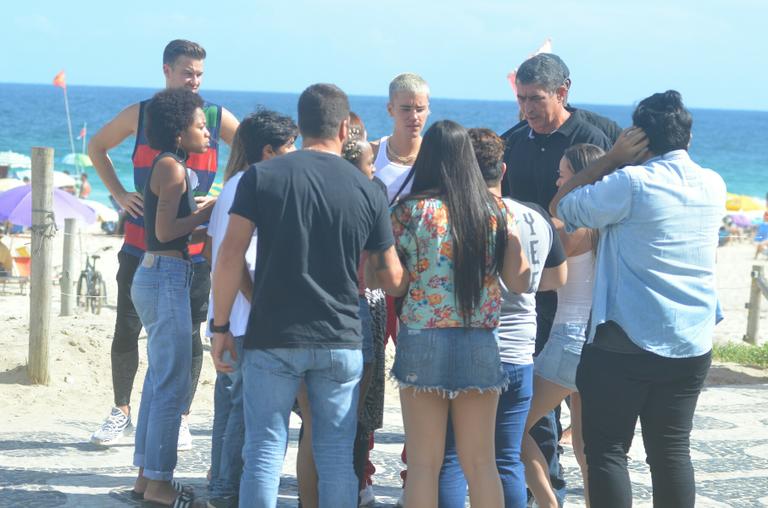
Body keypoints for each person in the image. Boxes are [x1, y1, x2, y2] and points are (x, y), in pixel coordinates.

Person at [210, 83, 404, 508]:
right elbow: (390, 276)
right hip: (340, 335)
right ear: (343, 127)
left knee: (263, 450)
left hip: (272, 332)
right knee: (335, 455)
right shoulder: (367, 190)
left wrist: (220, 326)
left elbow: (229, 258)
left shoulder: (261, 176)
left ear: (300, 125)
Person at [551, 90, 726, 508]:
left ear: (637, 137)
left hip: (624, 342)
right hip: (691, 341)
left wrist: (611, 158)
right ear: (686, 136)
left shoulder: (630, 182)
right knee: (671, 451)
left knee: (608, 451)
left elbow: (561, 205)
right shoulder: (713, 184)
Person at [87, 39, 238, 448]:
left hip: (193, 249)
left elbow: (252, 152)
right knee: (127, 329)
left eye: (200, 74)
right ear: (167, 71)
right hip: (139, 242)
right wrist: (118, 194)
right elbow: (96, 146)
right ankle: (121, 411)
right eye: (187, 72)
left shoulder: (214, 116)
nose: (194, 81)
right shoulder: (141, 113)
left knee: (189, 334)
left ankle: (183, 417)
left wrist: (224, 195)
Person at [388, 120, 530, 507]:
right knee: (481, 462)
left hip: (422, 338)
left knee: (423, 465)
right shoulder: (495, 210)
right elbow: (519, 281)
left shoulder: (409, 212)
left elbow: (396, 285)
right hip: (479, 341)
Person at [500, 53, 612, 505]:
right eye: (522, 98)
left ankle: (549, 498)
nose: (527, 108)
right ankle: (551, 493)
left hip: (573, 310)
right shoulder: (512, 142)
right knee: (558, 427)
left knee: (526, 424)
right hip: (537, 305)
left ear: (563, 92)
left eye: (536, 99)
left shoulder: (601, 137)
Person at [438, 128, 567, 508]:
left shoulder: (453, 217)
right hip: (517, 352)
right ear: (503, 169)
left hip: (468, 350)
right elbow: (557, 278)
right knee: (506, 459)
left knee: (453, 458)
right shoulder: (533, 216)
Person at [205, 110, 298, 508]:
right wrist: (259, 301)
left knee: (229, 408)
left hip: (232, 313)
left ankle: (220, 487)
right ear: (268, 150)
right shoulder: (252, 185)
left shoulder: (235, 184)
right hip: (245, 315)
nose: (294, 154)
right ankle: (227, 491)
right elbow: (234, 259)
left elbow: (217, 250)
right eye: (289, 147)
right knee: (245, 411)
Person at [129, 87, 216, 507]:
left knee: (158, 380)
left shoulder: (168, 165)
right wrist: (205, 214)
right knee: (170, 384)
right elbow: (164, 233)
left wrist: (200, 223)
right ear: (179, 132)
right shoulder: (173, 169)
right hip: (165, 276)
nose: (208, 133)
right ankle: (160, 485)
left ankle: (147, 479)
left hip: (160, 272)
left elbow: (167, 231)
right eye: (201, 125)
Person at [521, 143, 604, 508]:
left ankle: (547, 502)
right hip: (600, 340)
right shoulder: (610, 225)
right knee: (587, 445)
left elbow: (538, 277)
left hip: (569, 338)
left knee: (507, 428)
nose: (557, 179)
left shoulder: (567, 227)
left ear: (580, 178)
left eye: (564, 173)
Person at [371, 73, 430, 202]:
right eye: (406, 109)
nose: (414, 117)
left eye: (420, 109)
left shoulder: (435, 156)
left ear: (428, 110)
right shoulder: (371, 154)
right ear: (390, 109)